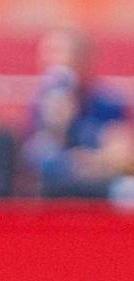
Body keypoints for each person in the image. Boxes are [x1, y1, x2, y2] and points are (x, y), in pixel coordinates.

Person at [24, 27, 132, 195]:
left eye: (59, 52)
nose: (51, 61)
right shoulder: (41, 102)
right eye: (48, 54)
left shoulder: (108, 101)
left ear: (84, 59)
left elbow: (123, 156)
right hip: (53, 187)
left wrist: (93, 161)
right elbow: (37, 157)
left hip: (99, 185)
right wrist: (57, 122)